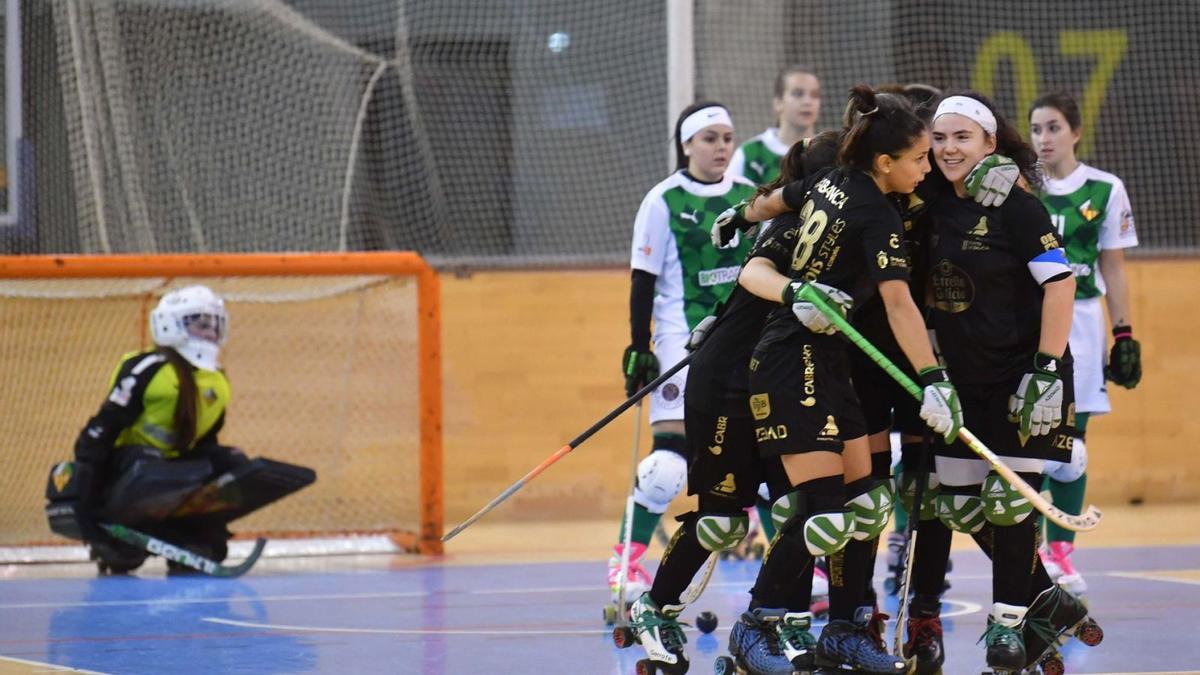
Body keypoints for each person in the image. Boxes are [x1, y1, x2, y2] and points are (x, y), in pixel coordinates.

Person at [726, 85, 959, 675]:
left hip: (831, 361)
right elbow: (901, 304)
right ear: (886, 163)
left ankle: (846, 629)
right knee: (823, 509)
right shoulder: (877, 213)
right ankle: (756, 625)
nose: (927, 168)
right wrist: (934, 379)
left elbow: (778, 199)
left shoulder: (833, 181)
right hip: (789, 359)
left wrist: (738, 213)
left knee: (868, 498)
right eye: (920, 159)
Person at [623, 134, 837, 675]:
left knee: (798, 511)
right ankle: (654, 609)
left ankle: (783, 626)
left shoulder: (843, 222)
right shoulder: (796, 225)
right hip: (727, 383)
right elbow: (752, 275)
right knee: (722, 521)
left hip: (783, 381)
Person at [922, 91, 1082, 672]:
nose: (948, 149)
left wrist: (1045, 369)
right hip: (963, 382)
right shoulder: (932, 203)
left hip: (1025, 377)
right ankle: (1049, 599)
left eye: (963, 137)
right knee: (960, 507)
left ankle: (1008, 624)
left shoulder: (1016, 206)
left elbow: (1060, 284)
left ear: (991, 143)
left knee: (1008, 505)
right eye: (939, 138)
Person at [612, 101, 758, 604]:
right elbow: (642, 279)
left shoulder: (750, 198)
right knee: (668, 469)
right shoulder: (663, 200)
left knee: (770, 459)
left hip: (744, 344)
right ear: (687, 144)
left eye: (727, 137)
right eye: (711, 138)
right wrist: (639, 345)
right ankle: (626, 567)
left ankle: (798, 577)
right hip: (683, 344)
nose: (721, 147)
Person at [1029, 91, 1141, 594]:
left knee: (1071, 452)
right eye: (1035, 129)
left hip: (1082, 322)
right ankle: (1025, 550)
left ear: (1075, 132)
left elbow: (1113, 268)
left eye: (1053, 127)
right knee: (1029, 446)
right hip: (1027, 322)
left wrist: (1123, 333)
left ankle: (1061, 553)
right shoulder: (1019, 188)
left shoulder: (1105, 188)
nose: (1043, 138)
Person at [65, 285, 248, 575]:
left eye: (215, 323)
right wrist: (86, 499)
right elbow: (104, 427)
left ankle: (195, 534)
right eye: (201, 323)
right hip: (130, 466)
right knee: (151, 465)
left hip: (173, 466)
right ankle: (121, 530)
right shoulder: (149, 368)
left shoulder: (217, 379)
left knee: (235, 465)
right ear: (169, 325)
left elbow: (206, 439)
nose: (211, 331)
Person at [729, 65, 823, 186]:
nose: (808, 101)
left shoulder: (830, 152)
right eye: (798, 94)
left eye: (815, 95)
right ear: (778, 102)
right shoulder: (749, 154)